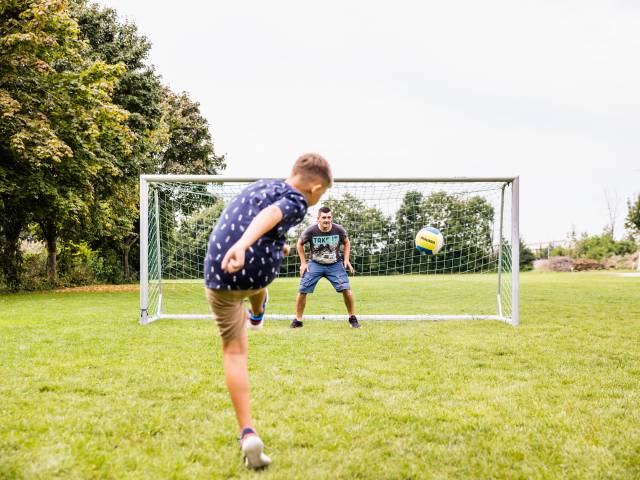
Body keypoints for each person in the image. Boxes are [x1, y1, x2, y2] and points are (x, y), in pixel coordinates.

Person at [204, 153, 332, 469]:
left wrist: (260, 245)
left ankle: (247, 433)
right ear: (315, 187)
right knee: (254, 290)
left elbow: (258, 218)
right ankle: (258, 313)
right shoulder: (298, 201)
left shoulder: (262, 186)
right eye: (322, 194)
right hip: (250, 267)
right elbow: (272, 215)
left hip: (217, 272)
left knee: (231, 352)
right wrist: (244, 245)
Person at [290, 206, 361, 329]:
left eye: (329, 217)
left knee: (346, 289)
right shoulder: (310, 231)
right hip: (315, 264)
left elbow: (347, 242)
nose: (326, 220)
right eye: (324, 217)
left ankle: (352, 318)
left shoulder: (338, 229)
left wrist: (346, 259)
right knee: (302, 290)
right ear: (318, 218)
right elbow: (299, 244)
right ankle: (298, 320)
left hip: (334, 264)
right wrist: (303, 263)